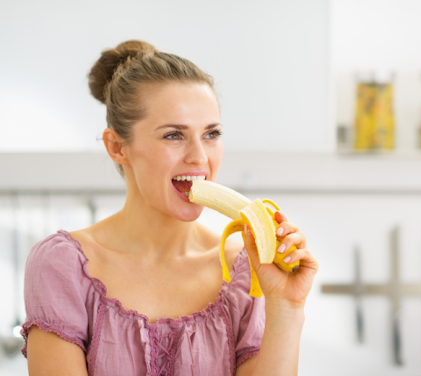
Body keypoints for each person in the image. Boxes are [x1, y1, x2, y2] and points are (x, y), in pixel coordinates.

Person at [21, 40, 318, 376]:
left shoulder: (245, 270)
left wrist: (287, 307)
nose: (200, 157)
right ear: (117, 147)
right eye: (174, 135)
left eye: (211, 134)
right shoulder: (64, 265)